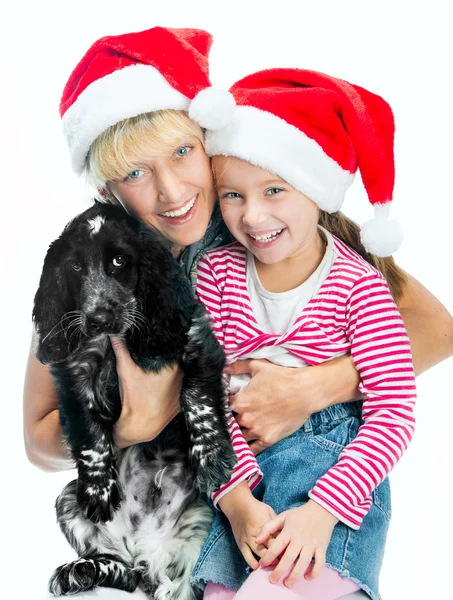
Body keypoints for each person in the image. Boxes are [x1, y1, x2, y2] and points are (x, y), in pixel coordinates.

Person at [25, 26, 452, 600]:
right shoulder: (91, 263)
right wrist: (132, 424)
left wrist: (315, 386)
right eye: (136, 173)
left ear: (209, 139)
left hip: (281, 496)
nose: (173, 190)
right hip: (169, 521)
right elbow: (37, 438)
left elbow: (434, 330)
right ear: (108, 188)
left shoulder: (265, 220)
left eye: (183, 153)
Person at [190, 69, 417, 600]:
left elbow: (395, 411)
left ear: (317, 191)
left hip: (335, 489)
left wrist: (321, 514)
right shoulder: (216, 275)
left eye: (275, 190)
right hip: (247, 489)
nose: (254, 215)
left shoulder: (359, 285)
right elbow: (204, 400)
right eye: (233, 195)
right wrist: (238, 501)